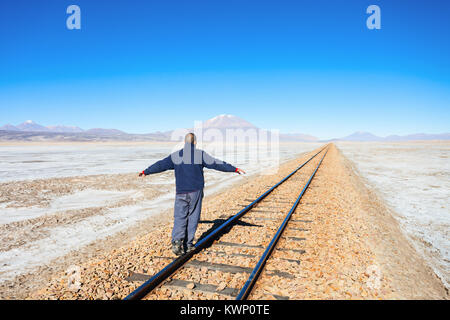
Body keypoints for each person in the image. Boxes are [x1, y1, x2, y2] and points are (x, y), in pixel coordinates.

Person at [139, 133, 245, 256]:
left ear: (184, 142)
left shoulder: (176, 155)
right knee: (193, 216)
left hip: (180, 192)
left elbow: (160, 165)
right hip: (195, 192)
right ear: (195, 142)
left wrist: (146, 171)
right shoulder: (200, 154)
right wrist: (234, 169)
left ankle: (177, 241)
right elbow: (217, 163)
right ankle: (188, 245)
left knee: (180, 216)